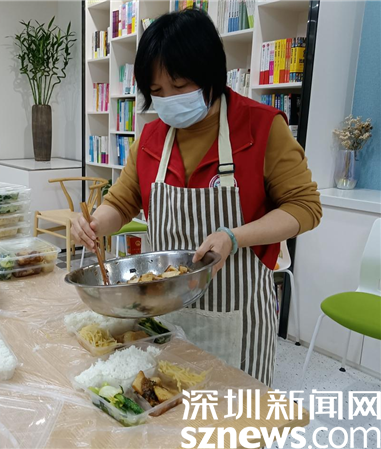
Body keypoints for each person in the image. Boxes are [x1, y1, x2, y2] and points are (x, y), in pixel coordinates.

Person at [72, 9, 322, 386]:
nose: (168, 100)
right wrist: (94, 224)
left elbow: (304, 208)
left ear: (210, 74)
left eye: (180, 86)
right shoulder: (151, 139)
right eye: (157, 92)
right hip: (166, 315)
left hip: (236, 315)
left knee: (233, 415)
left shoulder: (261, 126)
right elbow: (121, 204)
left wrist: (233, 237)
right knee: (171, 408)